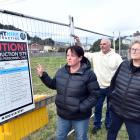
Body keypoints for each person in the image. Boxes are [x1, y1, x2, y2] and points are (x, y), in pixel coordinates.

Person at [36, 45, 100, 140]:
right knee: (60, 137)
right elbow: (53, 84)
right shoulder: (62, 71)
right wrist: (43, 75)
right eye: (67, 55)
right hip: (63, 115)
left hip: (80, 116)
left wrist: (80, 107)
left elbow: (95, 95)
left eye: (72, 55)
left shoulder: (89, 74)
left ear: (80, 58)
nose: (69, 58)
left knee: (81, 137)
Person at [84, 38, 122, 134]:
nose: (102, 46)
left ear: (109, 45)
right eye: (101, 44)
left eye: (104, 44)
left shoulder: (117, 57)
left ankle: (108, 124)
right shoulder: (96, 55)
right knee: (97, 107)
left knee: (110, 108)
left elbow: (122, 69)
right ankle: (97, 125)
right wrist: (79, 42)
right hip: (99, 87)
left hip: (112, 88)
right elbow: (84, 53)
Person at [107, 39, 140, 140]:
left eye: (137, 49)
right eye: (132, 49)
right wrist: (111, 99)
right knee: (111, 132)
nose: (134, 51)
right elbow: (113, 83)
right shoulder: (124, 65)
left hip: (135, 115)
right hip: (116, 110)